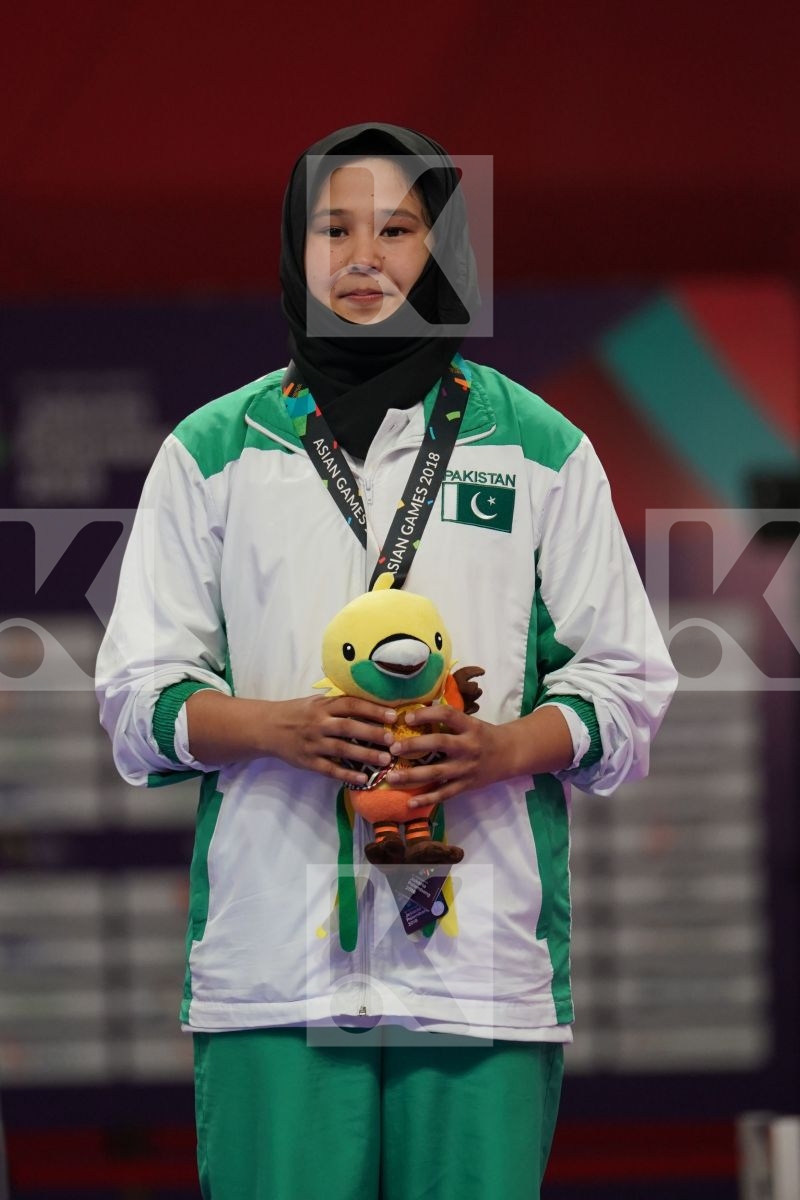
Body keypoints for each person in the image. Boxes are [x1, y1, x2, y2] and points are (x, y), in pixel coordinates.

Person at [96, 123, 678, 1200]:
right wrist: (273, 727)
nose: (362, 256)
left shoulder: (539, 447)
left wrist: (503, 747)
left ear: (443, 249)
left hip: (480, 970)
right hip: (271, 968)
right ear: (295, 250)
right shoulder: (213, 453)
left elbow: (626, 685)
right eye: (332, 227)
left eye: (397, 229)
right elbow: (136, 698)